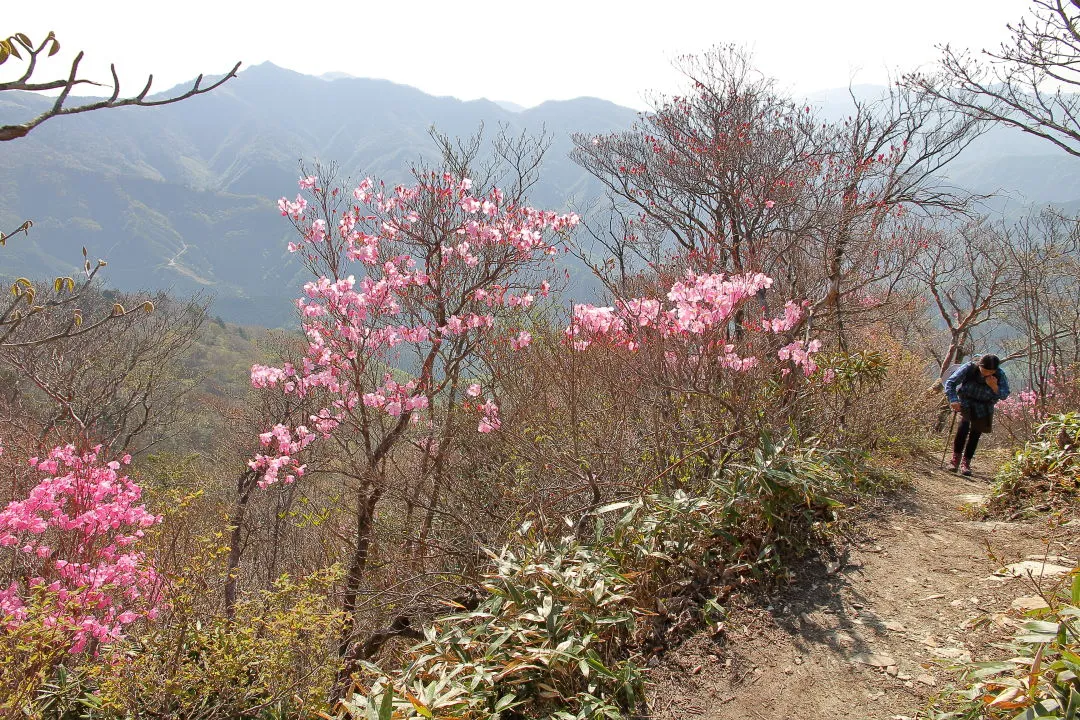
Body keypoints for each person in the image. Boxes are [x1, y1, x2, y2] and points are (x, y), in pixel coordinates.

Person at [943, 354, 1011, 475]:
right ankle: (955, 460)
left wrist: (994, 386)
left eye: (991, 371)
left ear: (995, 370)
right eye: (984, 370)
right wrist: (953, 400)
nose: (986, 373)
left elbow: (1004, 395)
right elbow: (951, 382)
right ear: (979, 365)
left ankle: (966, 463)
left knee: (975, 433)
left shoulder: (1000, 375)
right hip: (966, 401)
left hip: (985, 406)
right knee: (963, 428)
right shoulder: (969, 368)